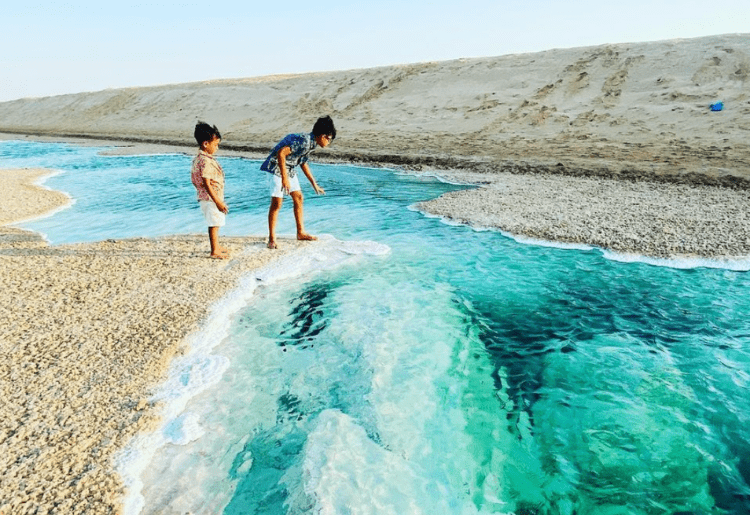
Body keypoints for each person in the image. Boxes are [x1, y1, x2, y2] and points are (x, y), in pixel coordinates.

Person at [261, 115, 336, 249]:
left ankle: (300, 232)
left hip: (288, 167)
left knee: (298, 197)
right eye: (329, 139)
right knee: (277, 202)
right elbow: (281, 153)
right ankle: (272, 239)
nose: (329, 142)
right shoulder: (305, 141)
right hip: (276, 166)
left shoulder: (311, 144)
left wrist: (314, 184)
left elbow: (303, 163)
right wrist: (284, 178)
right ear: (322, 135)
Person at [191, 121, 229, 259]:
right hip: (210, 198)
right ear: (205, 144)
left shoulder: (200, 158)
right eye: (215, 145)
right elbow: (206, 182)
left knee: (216, 221)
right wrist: (218, 201)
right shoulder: (205, 161)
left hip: (207, 197)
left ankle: (217, 246)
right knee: (214, 223)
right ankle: (214, 251)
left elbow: (195, 179)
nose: (217, 148)